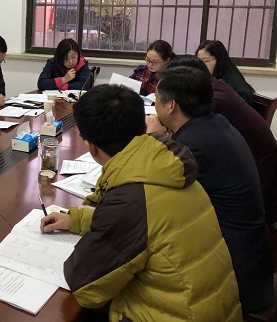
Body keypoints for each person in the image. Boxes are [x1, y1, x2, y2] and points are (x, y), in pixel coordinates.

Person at [40, 84, 241, 321]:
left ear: (90, 147)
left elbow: (88, 288)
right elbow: (150, 222)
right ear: (143, 128)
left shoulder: (130, 198)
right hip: (214, 309)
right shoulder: (168, 166)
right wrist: (77, 219)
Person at [146, 67, 274, 314]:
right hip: (247, 257)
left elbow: (151, 187)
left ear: (171, 106)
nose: (154, 106)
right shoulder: (214, 124)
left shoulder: (193, 144)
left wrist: (153, 138)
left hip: (233, 274)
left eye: (157, 99)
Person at [166, 55, 277, 224]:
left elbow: (174, 167)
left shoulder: (214, 102)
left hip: (260, 175)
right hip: (246, 174)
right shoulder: (215, 91)